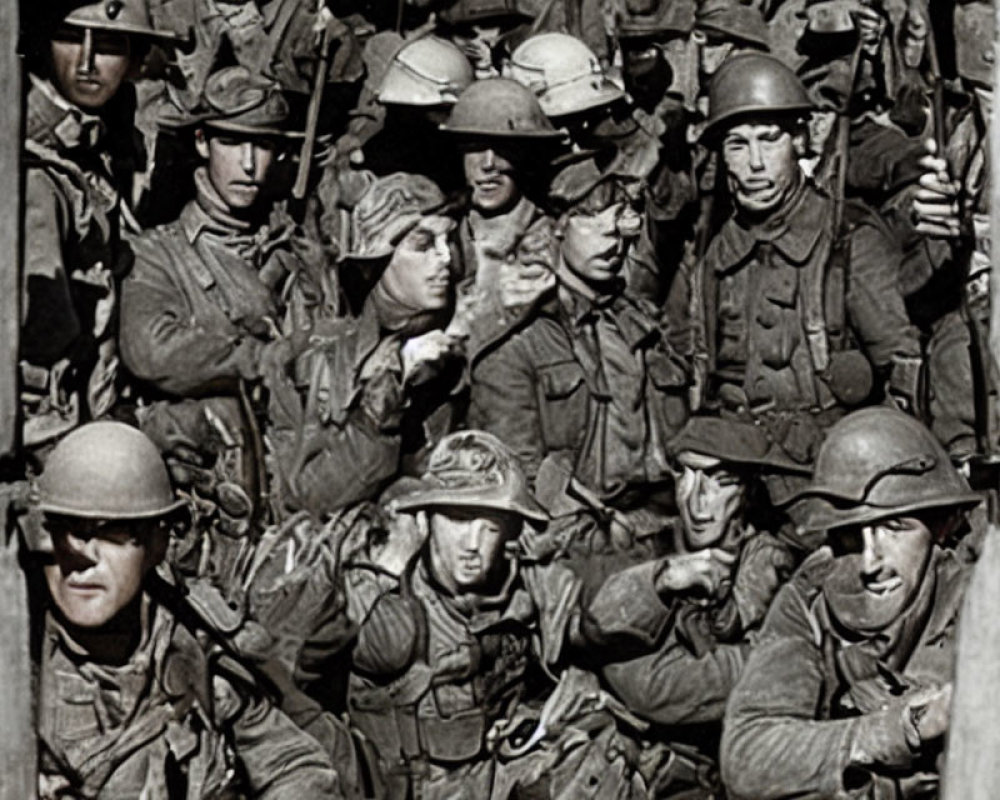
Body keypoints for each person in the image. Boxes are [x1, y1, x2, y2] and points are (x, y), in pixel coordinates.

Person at [347, 430, 689, 799]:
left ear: (511, 530)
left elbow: (589, 615)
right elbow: (297, 666)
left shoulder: (520, 583)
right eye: (459, 520)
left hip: (497, 773)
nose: (473, 544)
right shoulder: (383, 605)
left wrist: (661, 580)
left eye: (490, 525)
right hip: (417, 790)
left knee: (609, 759)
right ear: (425, 521)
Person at [30, 421, 344, 798]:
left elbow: (295, 766)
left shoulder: (191, 650)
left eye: (112, 532)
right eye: (64, 529)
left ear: (156, 543)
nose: (83, 558)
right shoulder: (19, 665)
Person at [720, 407, 982, 799]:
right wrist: (902, 728)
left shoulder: (977, 597)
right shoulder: (809, 600)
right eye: (851, 536)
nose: (871, 561)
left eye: (895, 528)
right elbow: (747, 757)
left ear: (940, 526)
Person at [120, 65, 324, 559]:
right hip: (209, 509)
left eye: (263, 146)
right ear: (202, 143)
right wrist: (266, 358)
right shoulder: (156, 254)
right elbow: (152, 350)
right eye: (233, 143)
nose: (250, 164)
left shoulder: (301, 253)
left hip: (305, 489)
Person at [692, 52, 921, 476]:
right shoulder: (714, 252)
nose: (755, 163)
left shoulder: (849, 239)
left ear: (799, 141)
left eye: (769, 139)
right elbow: (694, 368)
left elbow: (902, 378)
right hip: (735, 466)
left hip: (829, 469)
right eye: (738, 144)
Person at [469, 167, 689, 587]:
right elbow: (522, 490)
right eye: (591, 217)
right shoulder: (518, 347)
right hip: (583, 552)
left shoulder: (647, 326)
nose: (611, 233)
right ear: (557, 229)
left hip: (673, 530)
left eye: (618, 216)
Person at [21, 0, 179, 459]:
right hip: (45, 422)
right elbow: (40, 337)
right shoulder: (34, 169)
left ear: (133, 58)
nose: (87, 63)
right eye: (71, 37)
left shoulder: (103, 139)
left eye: (109, 44)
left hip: (95, 397)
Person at [267, 172, 464, 517]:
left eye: (448, 240)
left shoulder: (465, 351)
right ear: (377, 264)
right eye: (423, 244)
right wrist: (385, 396)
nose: (445, 257)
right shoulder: (321, 357)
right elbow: (310, 497)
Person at [601, 416, 804, 729]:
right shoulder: (655, 540)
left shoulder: (764, 559)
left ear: (746, 492)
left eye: (719, 481)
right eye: (685, 474)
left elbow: (660, 687)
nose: (696, 501)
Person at [441, 78, 566, 319]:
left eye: (504, 148)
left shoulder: (550, 238)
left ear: (527, 156)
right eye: (475, 147)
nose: (489, 164)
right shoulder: (445, 230)